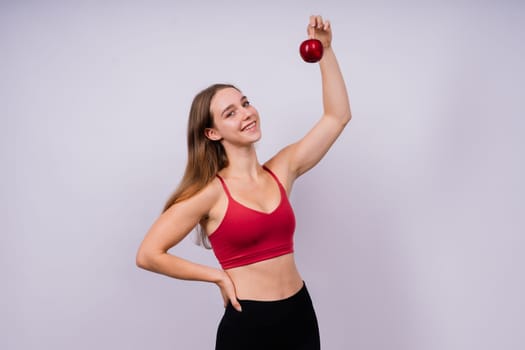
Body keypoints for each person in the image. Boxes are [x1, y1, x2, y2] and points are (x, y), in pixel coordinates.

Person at [136, 15, 351, 350]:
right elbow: (149, 254)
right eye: (230, 113)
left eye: (245, 103)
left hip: (300, 315)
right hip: (249, 326)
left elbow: (337, 117)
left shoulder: (282, 169)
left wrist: (325, 50)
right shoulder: (208, 193)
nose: (246, 113)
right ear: (212, 133)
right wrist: (216, 275)